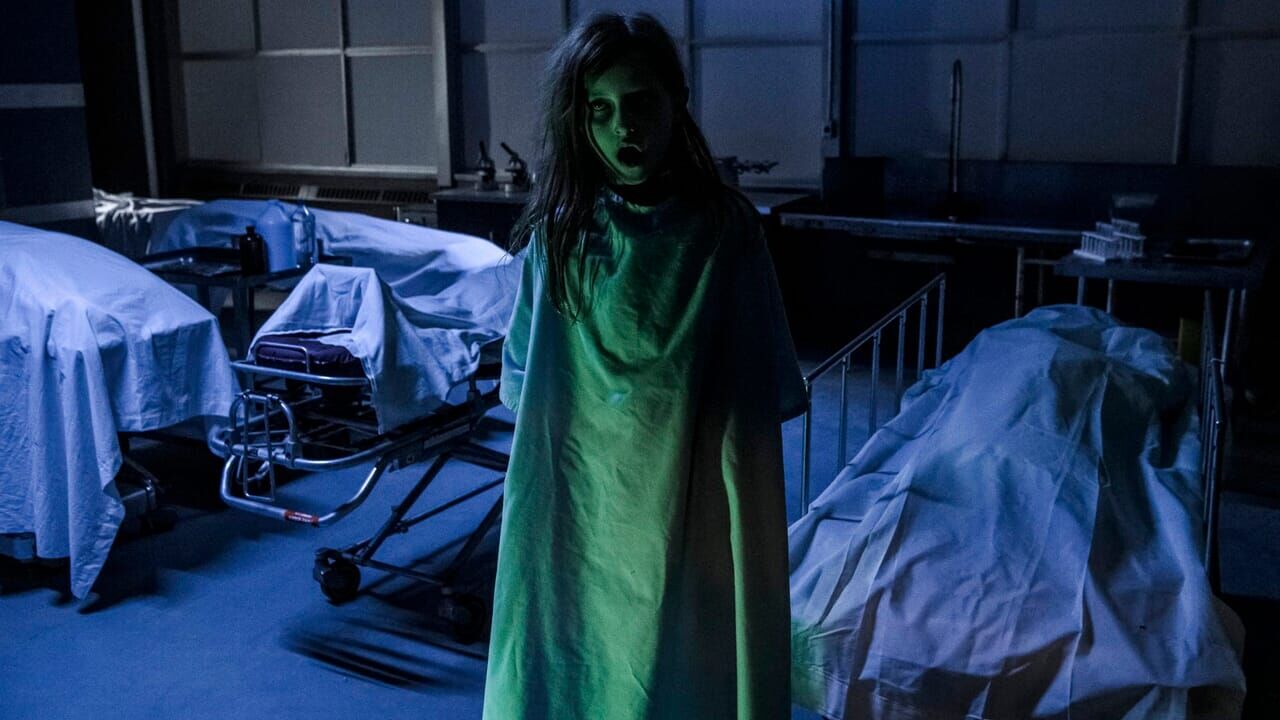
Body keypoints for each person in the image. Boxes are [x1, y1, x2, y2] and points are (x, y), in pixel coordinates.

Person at [483, 12, 806, 720]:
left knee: (674, 661)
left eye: (639, 104)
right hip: (578, 498)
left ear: (676, 103)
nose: (622, 128)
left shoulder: (724, 233)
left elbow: (754, 395)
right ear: (577, 120)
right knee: (582, 655)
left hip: (691, 497)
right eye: (598, 110)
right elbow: (525, 380)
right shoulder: (561, 238)